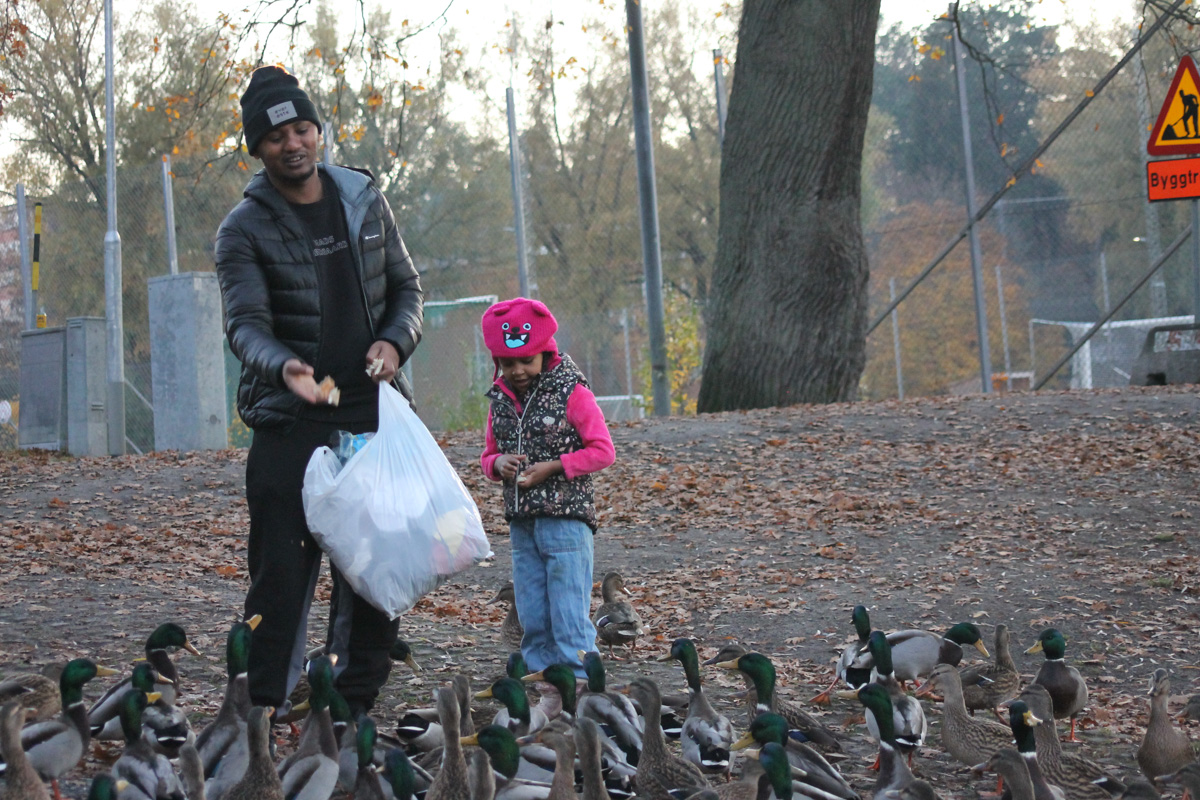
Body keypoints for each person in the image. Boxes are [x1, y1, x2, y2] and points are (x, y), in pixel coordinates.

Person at [215, 64, 423, 717]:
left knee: (374, 572)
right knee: (280, 580)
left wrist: (394, 343)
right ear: (258, 147)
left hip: (372, 416)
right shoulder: (242, 231)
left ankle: (353, 702)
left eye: (302, 128)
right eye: (276, 137)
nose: (293, 143)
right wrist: (286, 369)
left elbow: (409, 291)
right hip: (289, 423)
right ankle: (259, 708)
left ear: (318, 130)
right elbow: (245, 326)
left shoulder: (363, 198)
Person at [479, 298, 615, 676]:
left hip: (566, 522)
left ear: (545, 351)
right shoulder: (500, 401)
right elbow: (488, 456)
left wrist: (554, 467)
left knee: (568, 612)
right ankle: (546, 687)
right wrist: (498, 464)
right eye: (507, 363)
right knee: (533, 614)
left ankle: (581, 682)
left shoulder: (572, 391)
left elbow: (603, 451)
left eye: (526, 360)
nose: (517, 371)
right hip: (523, 525)